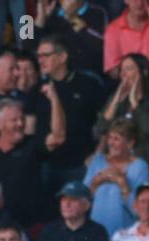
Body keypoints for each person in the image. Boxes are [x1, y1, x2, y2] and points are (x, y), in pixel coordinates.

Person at [0, 97, 66, 228]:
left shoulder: (32, 145)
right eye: (14, 120)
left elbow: (58, 137)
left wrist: (55, 100)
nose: (20, 124)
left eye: (22, 119)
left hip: (30, 225)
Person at [34, 35, 107, 191]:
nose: (40, 60)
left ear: (62, 57)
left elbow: (107, 122)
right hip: (47, 167)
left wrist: (98, 154)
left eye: (46, 55)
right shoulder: (36, 88)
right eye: (38, 56)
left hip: (81, 166)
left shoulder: (88, 84)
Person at [97, 54, 149, 188]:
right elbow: (100, 129)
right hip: (119, 170)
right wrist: (116, 101)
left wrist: (135, 103)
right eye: (122, 70)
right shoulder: (116, 100)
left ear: (144, 72)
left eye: (129, 69)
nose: (124, 74)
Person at [84, 121, 149, 238]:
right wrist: (95, 184)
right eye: (110, 137)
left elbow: (143, 211)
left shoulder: (140, 167)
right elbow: (82, 202)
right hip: (96, 235)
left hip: (124, 236)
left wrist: (123, 185)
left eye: (117, 139)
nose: (111, 143)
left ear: (130, 143)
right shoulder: (97, 161)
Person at [34, 181, 112, 241]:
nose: (67, 204)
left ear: (86, 205)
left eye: (73, 199)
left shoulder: (98, 232)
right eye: (64, 199)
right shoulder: (49, 230)